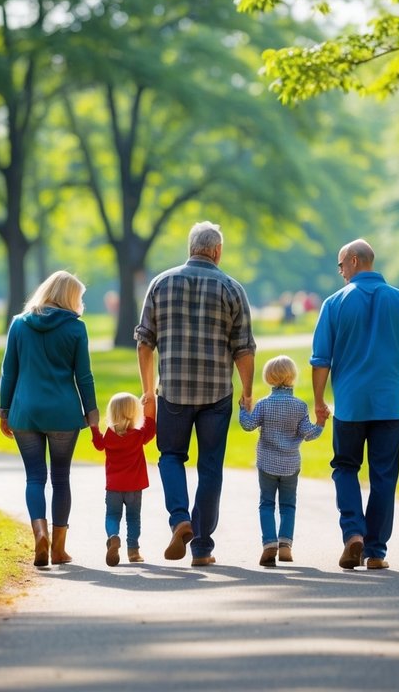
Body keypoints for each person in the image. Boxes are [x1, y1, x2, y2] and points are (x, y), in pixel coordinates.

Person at [136, 221, 256, 566]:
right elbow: (244, 348)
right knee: (210, 467)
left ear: (191, 248)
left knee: (171, 456)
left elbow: (145, 341)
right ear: (217, 251)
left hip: (172, 390)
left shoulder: (160, 283)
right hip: (216, 393)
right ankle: (202, 548)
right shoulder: (232, 288)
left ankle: (180, 519)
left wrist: (147, 391)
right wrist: (247, 392)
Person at [311, 239, 399, 571]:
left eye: (340, 266)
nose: (340, 273)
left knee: (345, 467)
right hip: (390, 405)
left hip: (350, 405)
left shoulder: (334, 304)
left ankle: (353, 532)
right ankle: (375, 551)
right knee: (384, 477)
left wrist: (319, 400)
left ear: (353, 261)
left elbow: (320, 360)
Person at [0, 271, 99, 567]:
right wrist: (92, 415)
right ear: (68, 297)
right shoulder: (76, 329)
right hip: (63, 414)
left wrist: (4, 410)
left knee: (35, 477)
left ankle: (39, 533)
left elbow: (9, 373)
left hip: (25, 412)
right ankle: (58, 548)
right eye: (79, 297)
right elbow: (85, 377)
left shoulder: (18, 324)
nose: (81, 303)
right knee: (61, 478)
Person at [238, 355, 326, 567]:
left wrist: (243, 409)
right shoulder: (300, 406)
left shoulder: (264, 404)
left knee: (266, 504)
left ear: (268, 378)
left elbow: (248, 425)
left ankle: (269, 543)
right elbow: (309, 434)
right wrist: (321, 423)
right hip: (290, 465)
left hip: (266, 463)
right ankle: (285, 545)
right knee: (288, 505)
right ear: (292, 377)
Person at [91, 392, 157, 567]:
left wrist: (94, 427)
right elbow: (151, 427)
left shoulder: (109, 436)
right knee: (133, 518)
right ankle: (133, 551)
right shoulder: (137, 435)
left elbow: (98, 445)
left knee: (112, 515)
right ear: (134, 412)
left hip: (113, 487)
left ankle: (113, 537)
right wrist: (149, 405)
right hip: (135, 487)